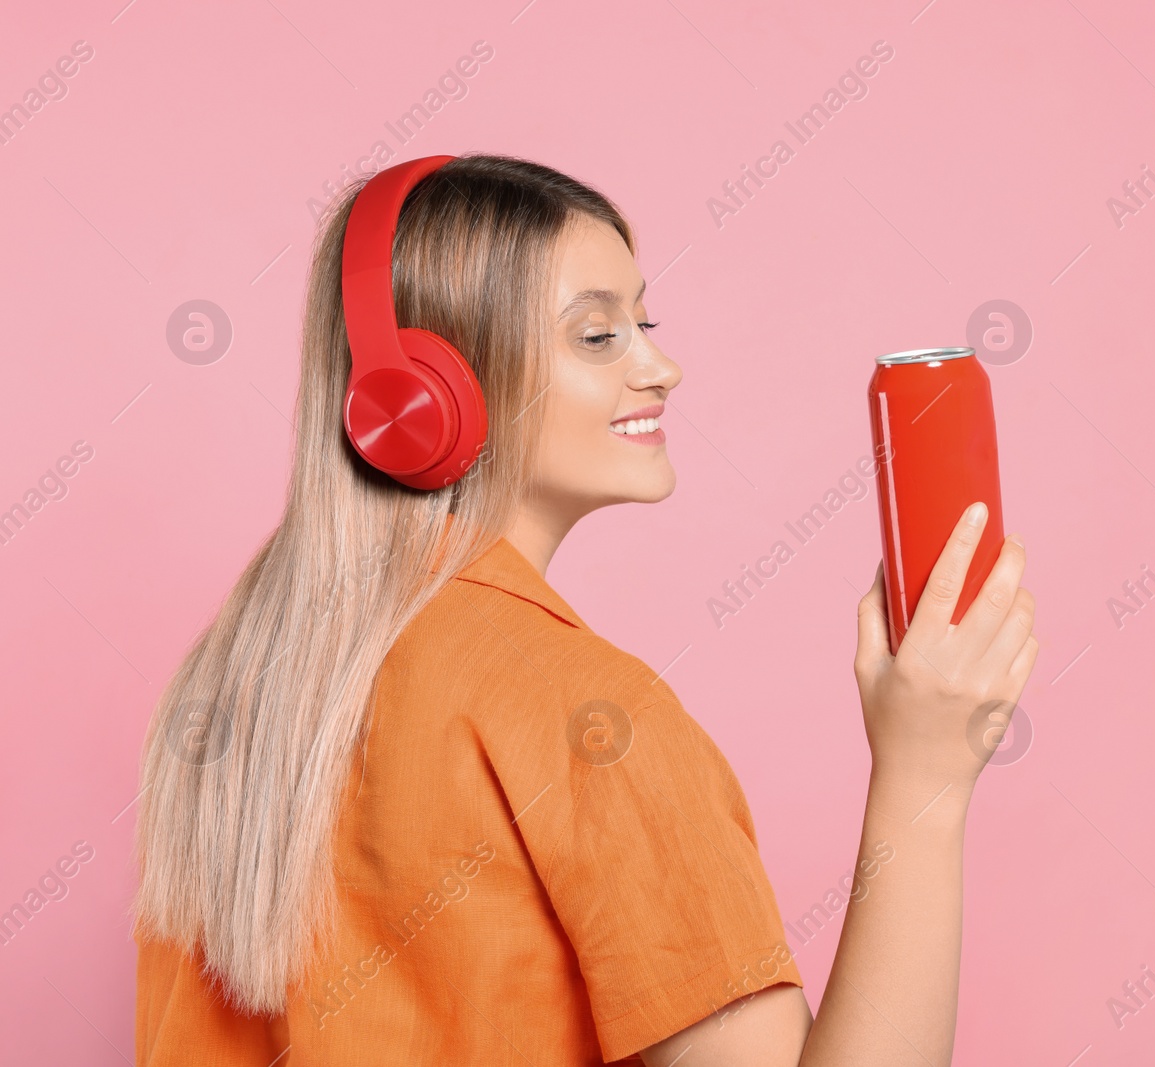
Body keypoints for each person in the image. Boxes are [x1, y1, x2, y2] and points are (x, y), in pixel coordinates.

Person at [133, 153, 1038, 1066]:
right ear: (425, 396)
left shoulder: (239, 679)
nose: (663, 365)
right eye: (598, 336)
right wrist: (926, 778)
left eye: (643, 322)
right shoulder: (582, 711)